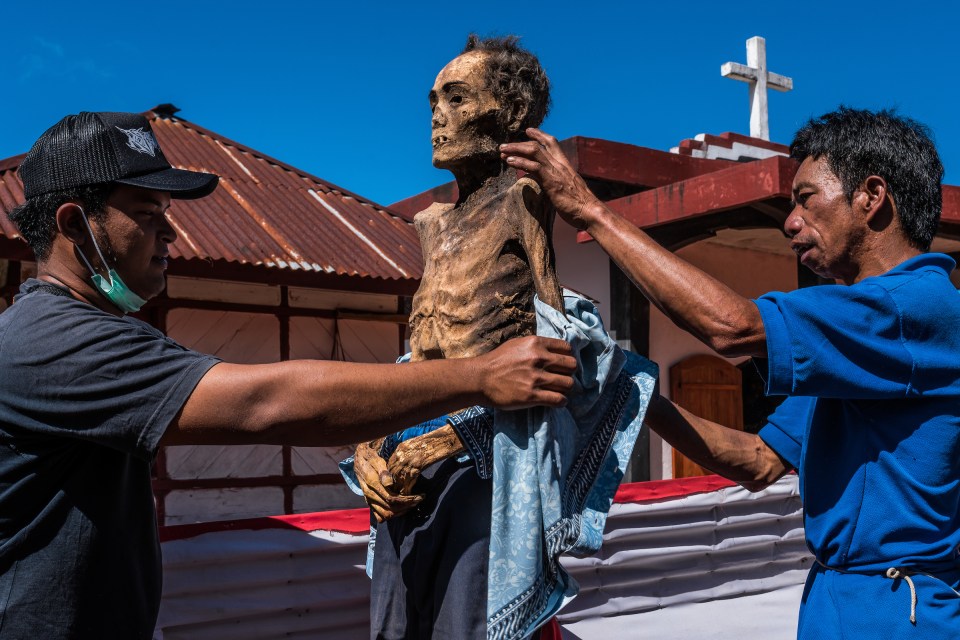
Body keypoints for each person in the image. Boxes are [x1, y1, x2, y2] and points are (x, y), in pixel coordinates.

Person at [0, 111, 576, 640]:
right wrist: (478, 377)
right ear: (75, 224)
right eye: (148, 215)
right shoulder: (55, 342)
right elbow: (265, 402)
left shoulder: (84, 331)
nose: (170, 235)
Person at [500, 107, 960, 637]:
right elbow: (758, 460)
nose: (790, 222)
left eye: (805, 199)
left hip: (897, 610)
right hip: (837, 599)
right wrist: (628, 386)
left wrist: (589, 211)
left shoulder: (911, 308)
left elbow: (733, 328)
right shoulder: (857, 346)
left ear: (871, 197)